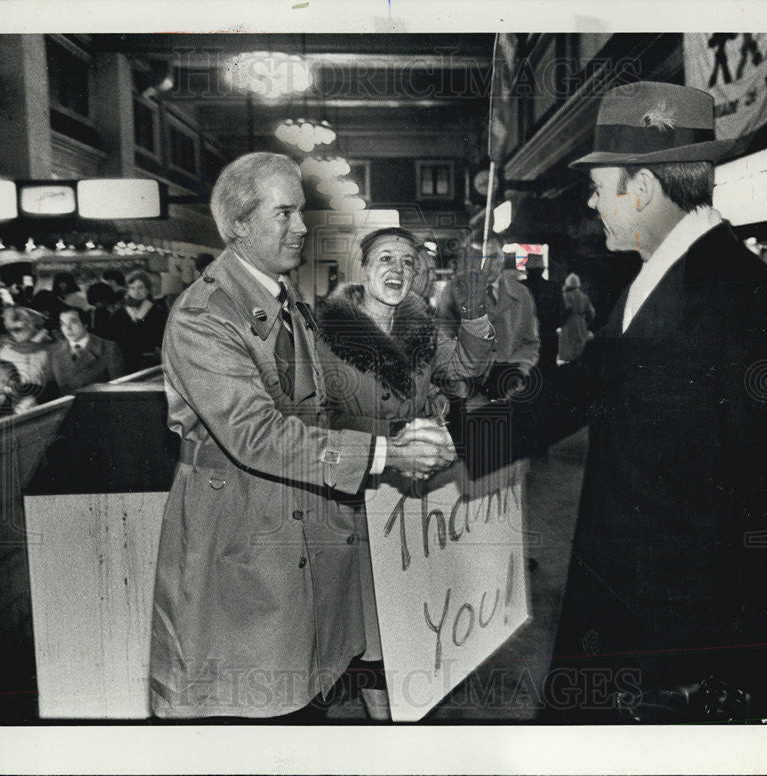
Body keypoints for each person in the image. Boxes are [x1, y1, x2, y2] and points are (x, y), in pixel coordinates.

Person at [541, 81, 767, 723]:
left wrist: (754, 683)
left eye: (600, 186)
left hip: (685, 661)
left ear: (641, 189)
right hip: (619, 618)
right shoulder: (652, 277)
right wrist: (461, 437)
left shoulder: (759, 302)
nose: (592, 204)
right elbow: (585, 382)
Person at [149, 152, 457, 720]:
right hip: (243, 532)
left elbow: (325, 409)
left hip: (300, 528)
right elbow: (257, 433)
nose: (302, 227)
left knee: (304, 697)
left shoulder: (286, 303)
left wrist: (410, 425)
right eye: (285, 213)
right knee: (251, 709)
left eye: (301, 212)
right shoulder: (204, 316)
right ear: (240, 224)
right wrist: (387, 452)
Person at [315, 226, 495, 719]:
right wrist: (384, 437)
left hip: (409, 489)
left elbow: (465, 369)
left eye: (408, 264)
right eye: (386, 259)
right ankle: (382, 721)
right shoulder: (324, 331)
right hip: (354, 485)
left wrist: (475, 311)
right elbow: (309, 414)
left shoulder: (421, 332)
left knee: (404, 603)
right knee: (368, 614)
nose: (397, 271)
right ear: (364, 268)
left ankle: (402, 712)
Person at [437, 235, 539, 408]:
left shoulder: (521, 294)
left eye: (495, 257)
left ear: (502, 258)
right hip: (465, 393)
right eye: (482, 258)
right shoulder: (455, 290)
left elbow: (530, 342)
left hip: (508, 391)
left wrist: (516, 371)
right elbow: (442, 335)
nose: (489, 265)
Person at [48, 306, 125, 395]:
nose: (68, 328)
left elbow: (119, 389)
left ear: (85, 324)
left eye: (73, 322)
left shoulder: (109, 348)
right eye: (63, 324)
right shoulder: (55, 351)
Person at [106, 270, 167, 373]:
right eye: (132, 288)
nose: (136, 292)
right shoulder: (118, 314)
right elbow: (112, 341)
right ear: (127, 290)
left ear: (147, 290)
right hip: (124, 364)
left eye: (140, 287)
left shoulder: (157, 312)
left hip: (152, 364)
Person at [0, 306, 54, 399]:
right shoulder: (6, 352)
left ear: (31, 326)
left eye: (18, 330)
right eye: (10, 330)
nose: (13, 334)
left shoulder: (49, 348)